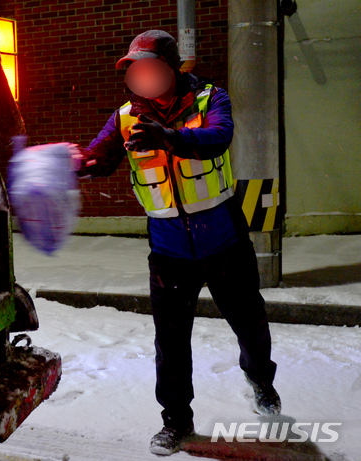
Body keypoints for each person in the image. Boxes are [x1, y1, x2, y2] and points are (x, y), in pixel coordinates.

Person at [76, 30, 281, 456]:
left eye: (149, 67)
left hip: (224, 240)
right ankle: (176, 422)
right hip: (169, 249)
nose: (141, 76)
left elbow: (219, 138)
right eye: (135, 70)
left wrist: (169, 138)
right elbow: (102, 155)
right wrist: (77, 164)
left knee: (250, 326)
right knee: (170, 343)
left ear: (172, 68)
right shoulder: (127, 116)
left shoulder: (209, 98)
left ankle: (260, 379)